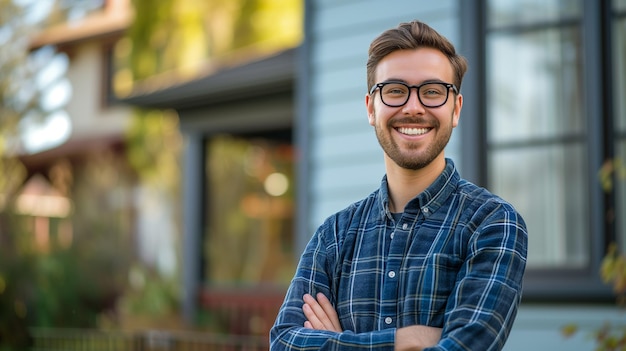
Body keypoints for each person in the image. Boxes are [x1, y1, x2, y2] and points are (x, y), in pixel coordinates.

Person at [270, 20, 528, 351]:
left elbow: (465, 347)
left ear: (456, 109)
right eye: (394, 91)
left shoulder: (492, 224)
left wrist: (338, 343)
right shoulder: (334, 235)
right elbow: (284, 343)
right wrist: (406, 340)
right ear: (371, 109)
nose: (413, 107)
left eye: (433, 92)